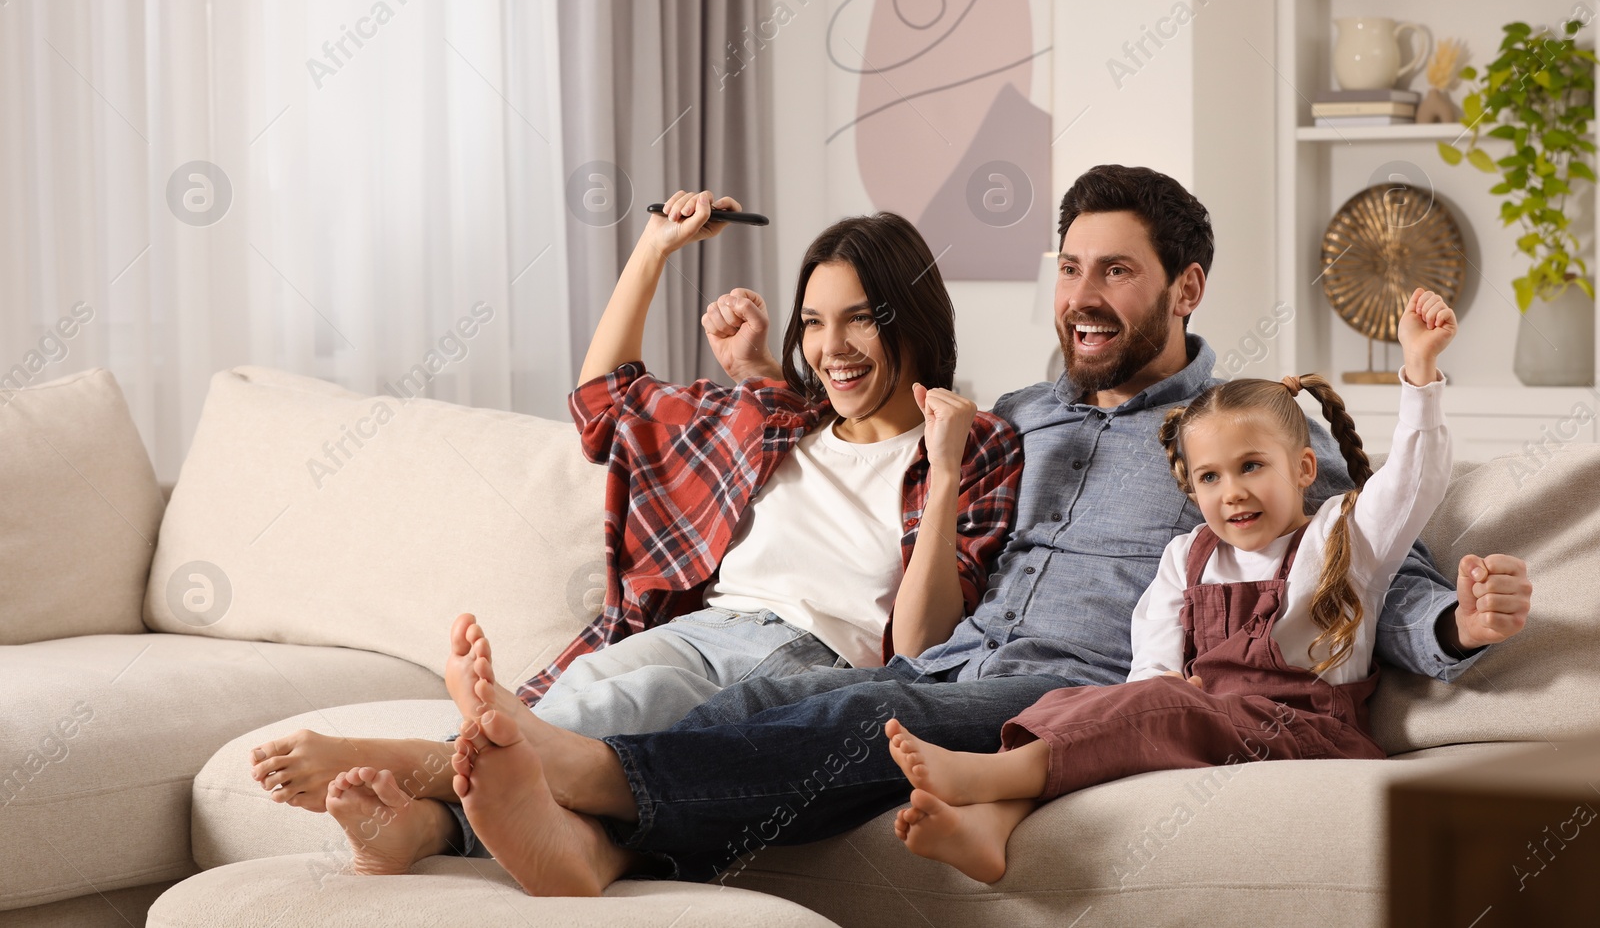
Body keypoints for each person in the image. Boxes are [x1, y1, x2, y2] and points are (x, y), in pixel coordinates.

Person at [313, 165, 1535, 896]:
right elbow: (854, 449)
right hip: (944, 655)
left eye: (1115, 271)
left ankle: (560, 773)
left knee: (851, 714)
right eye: (1067, 269)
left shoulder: (1236, 433)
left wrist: (1449, 623)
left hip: (1068, 686)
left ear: (1186, 286)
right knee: (768, 708)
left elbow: (1371, 549)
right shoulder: (1011, 418)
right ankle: (548, 838)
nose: (1081, 297)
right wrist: (749, 364)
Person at [250, 191, 1024, 852]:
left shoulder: (974, 443)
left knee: (628, 710)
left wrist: (947, 467)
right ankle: (425, 831)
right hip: (703, 626)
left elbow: (924, 645)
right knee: (588, 690)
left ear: (912, 318)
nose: (830, 347)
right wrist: (655, 247)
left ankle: (407, 758)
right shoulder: (778, 417)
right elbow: (603, 402)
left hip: (809, 657)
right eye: (814, 322)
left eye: (858, 321)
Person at [880, 287, 1469, 883]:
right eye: (1210, 477)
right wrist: (1142, 701)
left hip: (1308, 733)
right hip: (1204, 716)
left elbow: (1414, 482)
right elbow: (1151, 670)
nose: (1232, 491)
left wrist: (1420, 371)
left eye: (1252, 466)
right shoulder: (1187, 555)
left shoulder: (1341, 540)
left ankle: (985, 774)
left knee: (1170, 704)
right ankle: (992, 826)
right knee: (1072, 701)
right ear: (1192, 490)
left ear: (1304, 469)